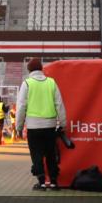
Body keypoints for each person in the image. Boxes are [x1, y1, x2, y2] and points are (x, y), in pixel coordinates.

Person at [15, 57, 67, 191]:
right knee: (51, 154)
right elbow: (59, 104)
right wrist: (62, 123)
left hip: (34, 127)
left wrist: (18, 127)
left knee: (36, 155)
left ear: (29, 70)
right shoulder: (51, 82)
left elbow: (21, 107)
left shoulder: (27, 83)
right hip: (50, 126)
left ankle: (42, 182)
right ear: (41, 69)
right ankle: (54, 182)